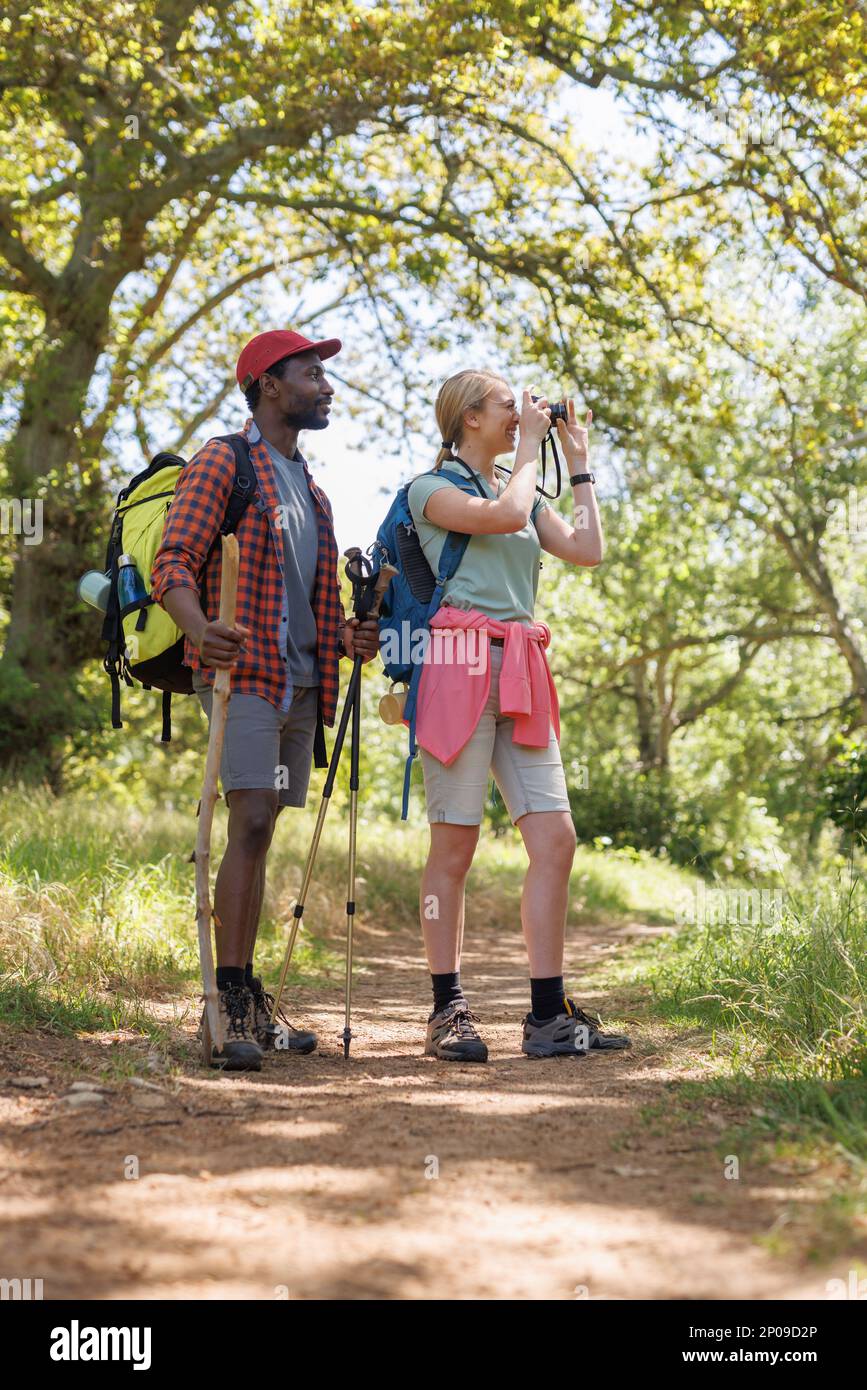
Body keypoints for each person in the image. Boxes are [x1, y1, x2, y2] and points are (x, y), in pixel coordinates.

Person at [152, 330, 379, 1071]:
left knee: (264, 827)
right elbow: (175, 560)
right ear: (268, 384)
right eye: (311, 373)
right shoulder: (227, 459)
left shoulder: (312, 488)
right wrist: (200, 628)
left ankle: (246, 992)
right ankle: (222, 1007)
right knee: (248, 818)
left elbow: (310, 606)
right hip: (243, 678)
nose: (326, 385)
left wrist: (351, 637)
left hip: (302, 688)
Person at [406, 369, 631, 1061]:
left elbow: (587, 552)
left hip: (521, 667)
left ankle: (545, 1016)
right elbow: (500, 515)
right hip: (457, 665)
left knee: (555, 839)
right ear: (468, 418)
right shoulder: (431, 490)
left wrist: (582, 463)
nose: (521, 412)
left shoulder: (524, 489)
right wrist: (532, 448)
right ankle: (446, 1010)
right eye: (509, 405)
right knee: (455, 847)